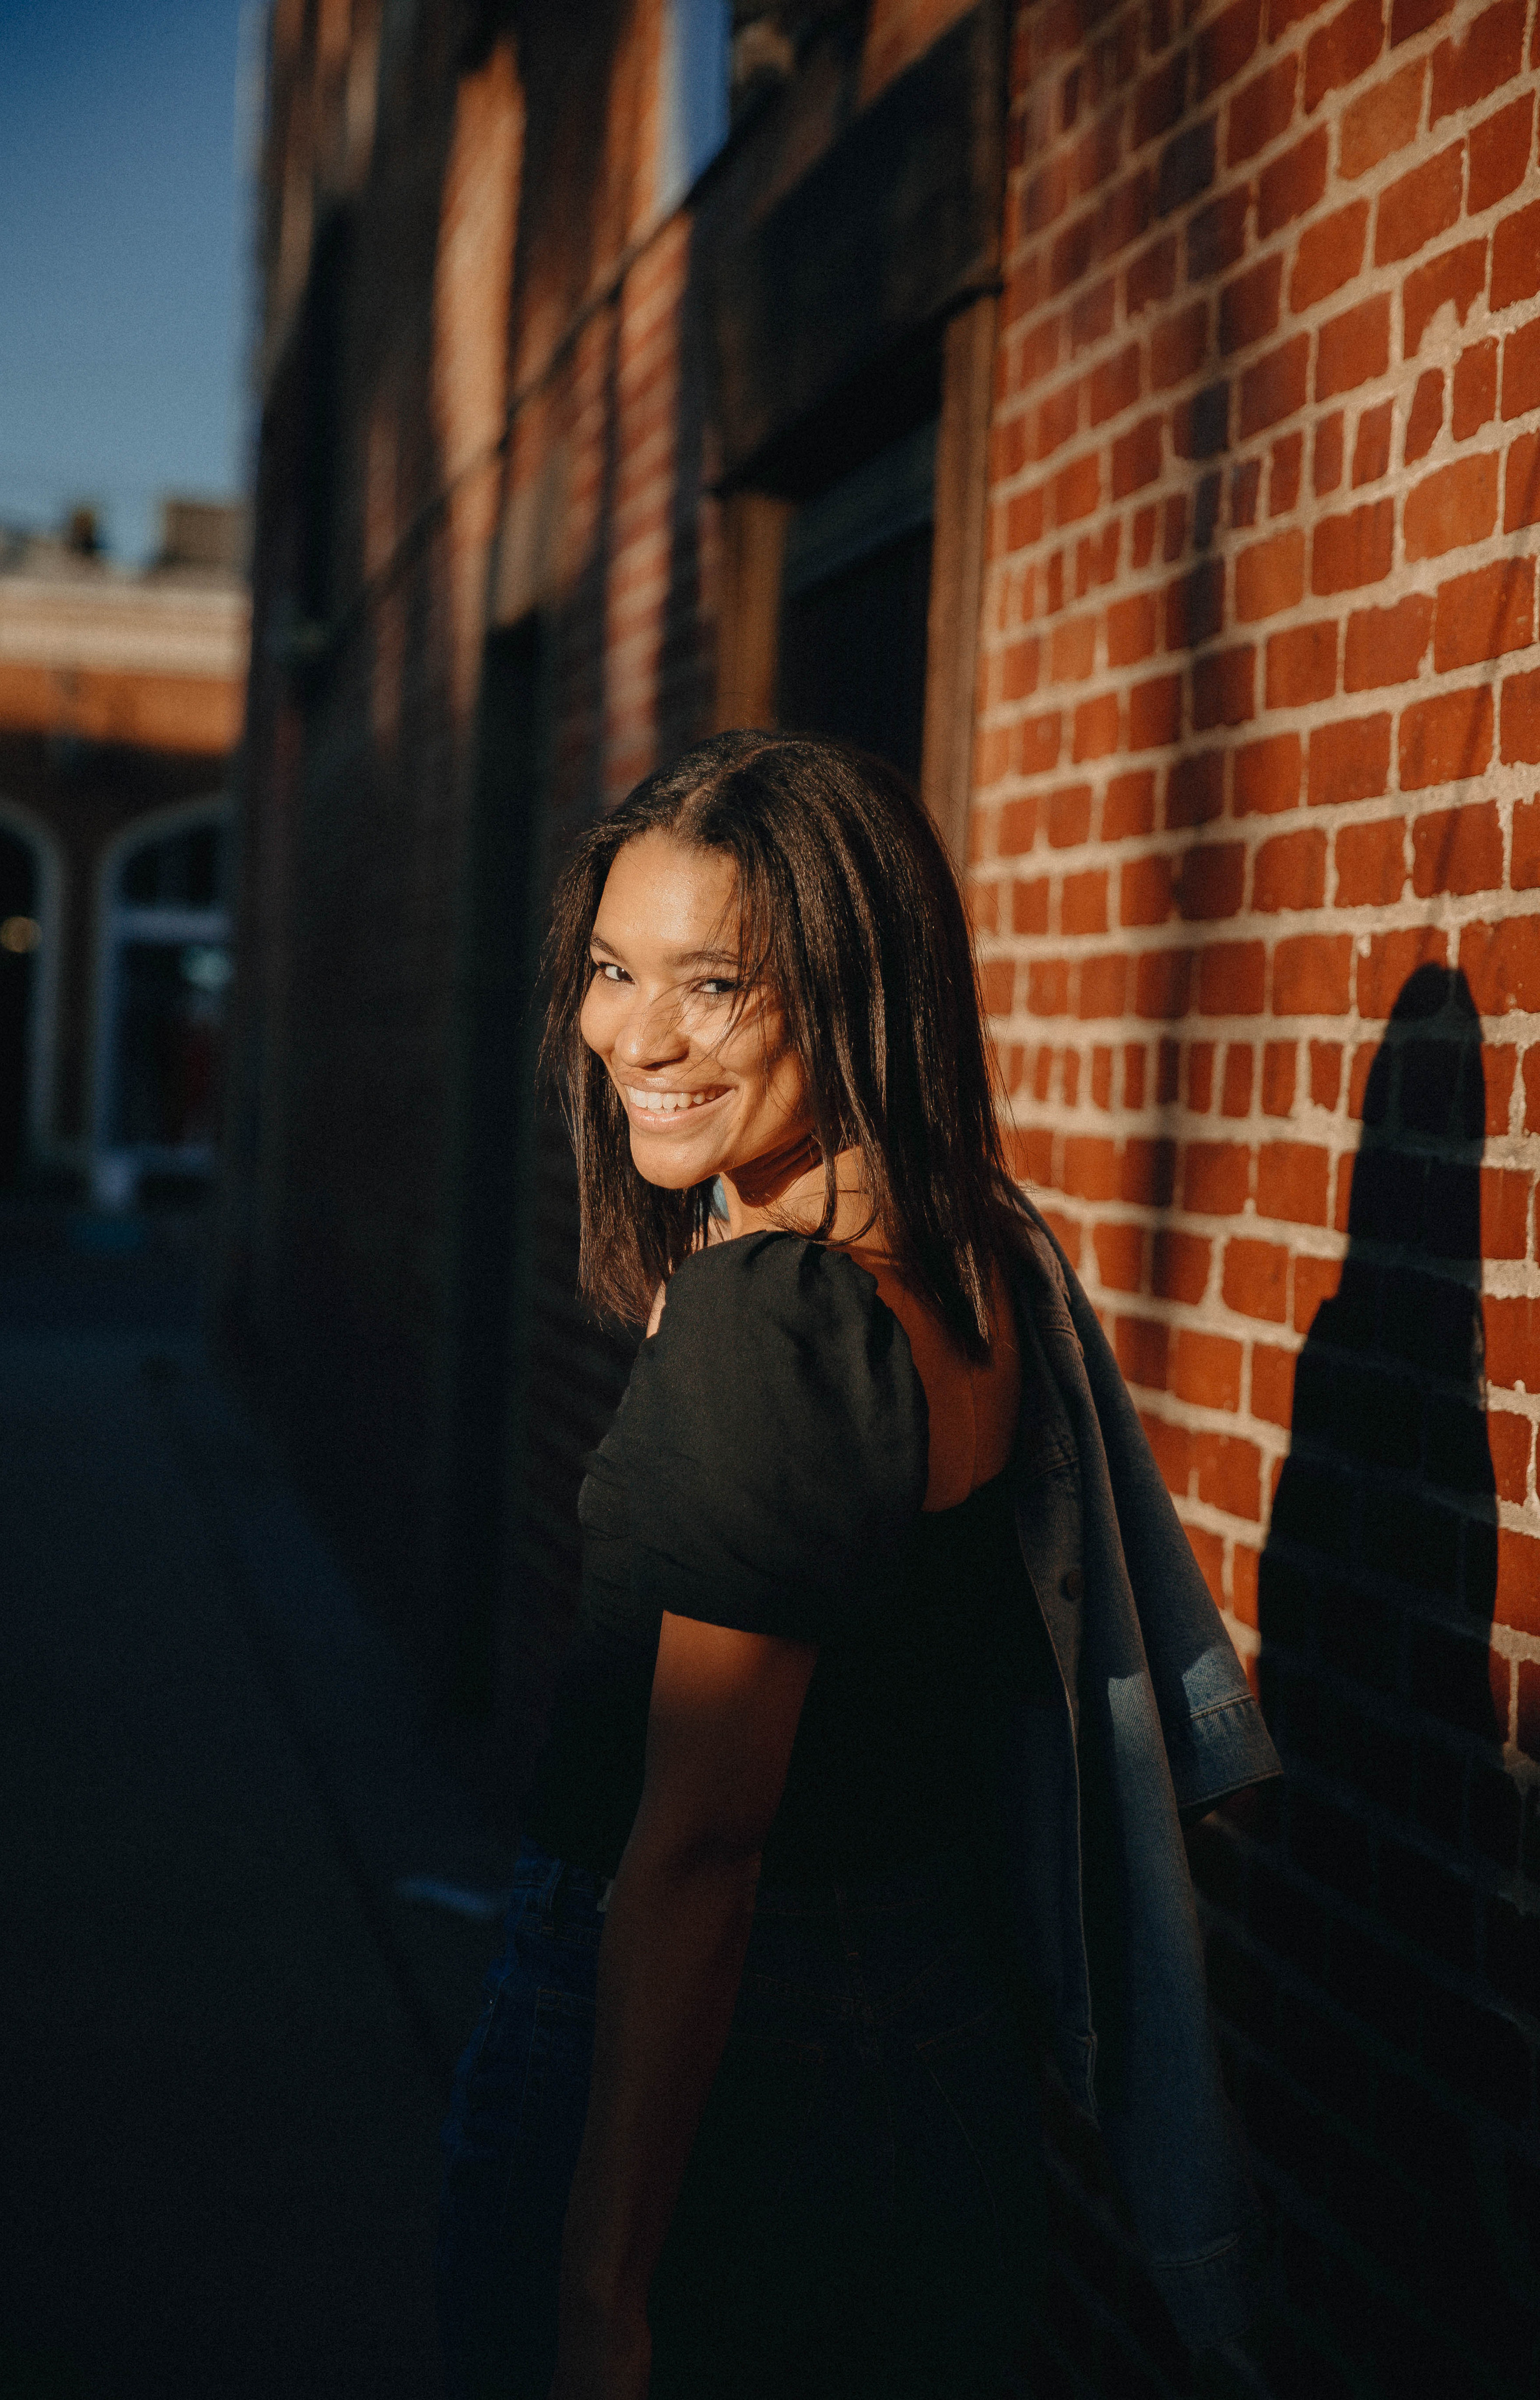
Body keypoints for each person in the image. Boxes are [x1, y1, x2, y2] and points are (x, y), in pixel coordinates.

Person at [437, 732, 1279, 2400]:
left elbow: (701, 1847)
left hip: (729, 2074)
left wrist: (604, 2291)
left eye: (715, 984)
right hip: (933, 2038)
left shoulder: (785, 1319)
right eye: (612, 969)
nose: (634, 1035)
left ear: (856, 989)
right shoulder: (976, 1250)